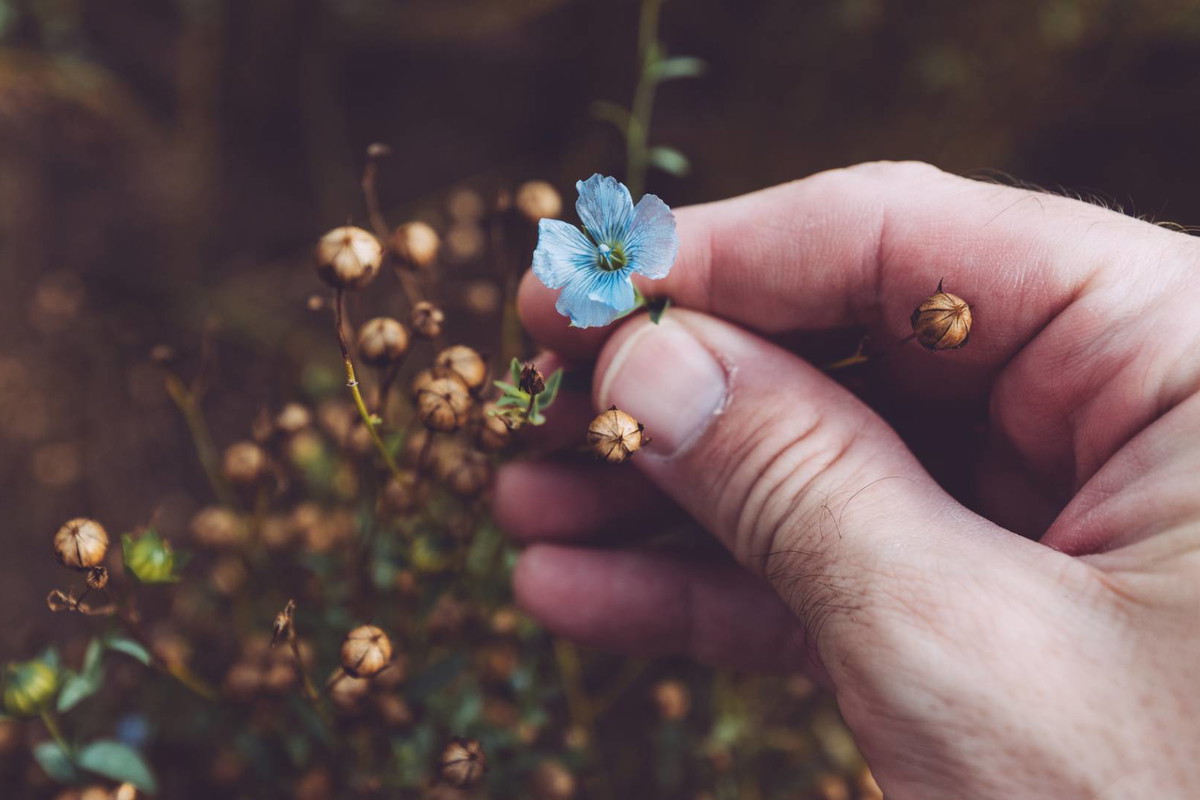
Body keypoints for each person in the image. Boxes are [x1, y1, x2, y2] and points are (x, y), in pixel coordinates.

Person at [493, 162, 1200, 799]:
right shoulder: (606, 280)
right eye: (606, 255)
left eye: (617, 254)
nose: (611, 256)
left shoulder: (641, 264)